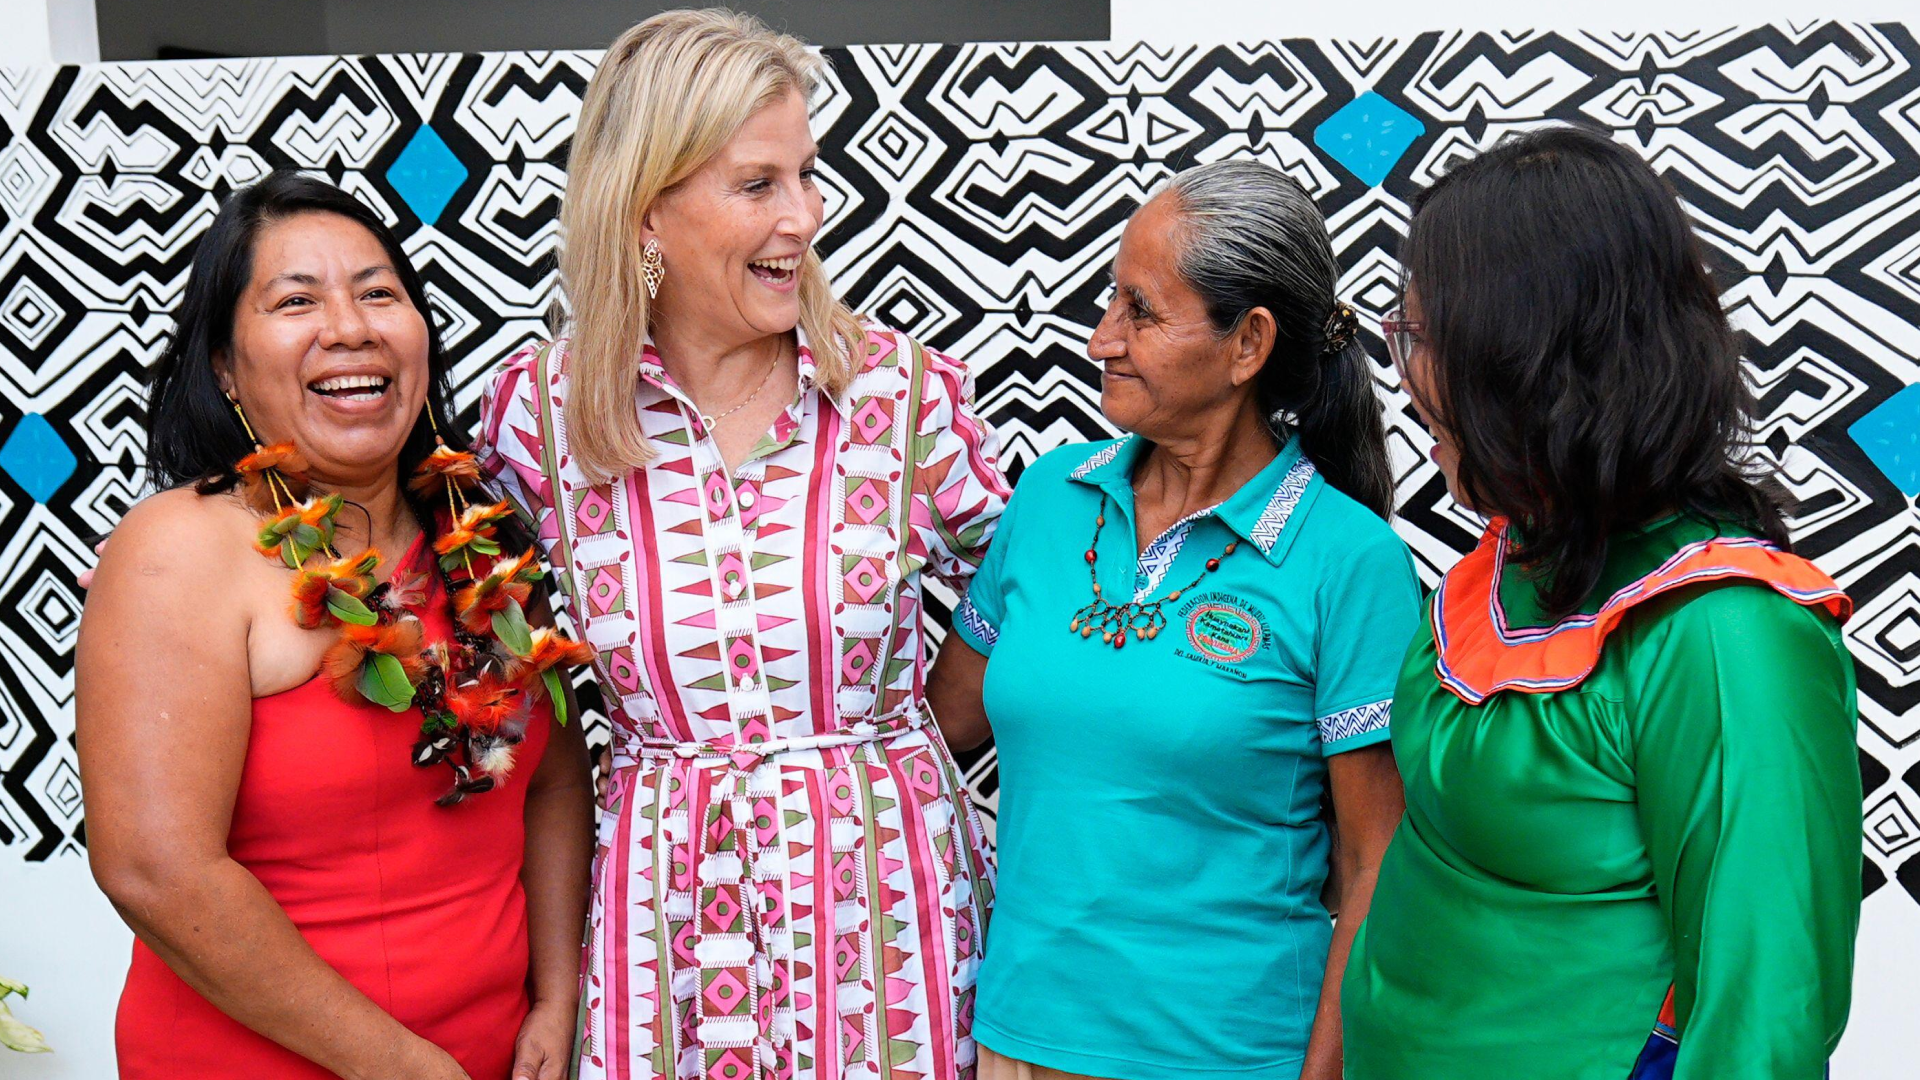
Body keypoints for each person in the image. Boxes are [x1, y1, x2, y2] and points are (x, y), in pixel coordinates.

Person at [476, 10, 1007, 1079]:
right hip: (658, 932)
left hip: (889, 923)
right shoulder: (539, 417)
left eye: (806, 176)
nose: (804, 216)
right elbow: (515, 699)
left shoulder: (900, 396)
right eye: (759, 184)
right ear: (645, 210)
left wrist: (902, 742)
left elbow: (1030, 594)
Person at [1341, 126, 1861, 1079]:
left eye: (1423, 341)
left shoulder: (1724, 633)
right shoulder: (1515, 553)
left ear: (1531, 359)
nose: (1407, 383)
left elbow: (1762, 1025)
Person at [76, 172, 595, 1080]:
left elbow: (553, 785)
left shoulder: (482, 543)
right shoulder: (180, 552)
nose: (351, 326)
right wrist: (400, 1066)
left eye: (378, 293)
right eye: (296, 301)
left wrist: (558, 998)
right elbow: (157, 871)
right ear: (226, 370)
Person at [926, 160, 1419, 1080]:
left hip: (1229, 1058)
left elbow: (1374, 862)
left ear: (1249, 344)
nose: (1101, 337)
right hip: (1017, 1044)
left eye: (1140, 311)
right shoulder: (1049, 499)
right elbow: (926, 740)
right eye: (1109, 301)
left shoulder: (1348, 562)